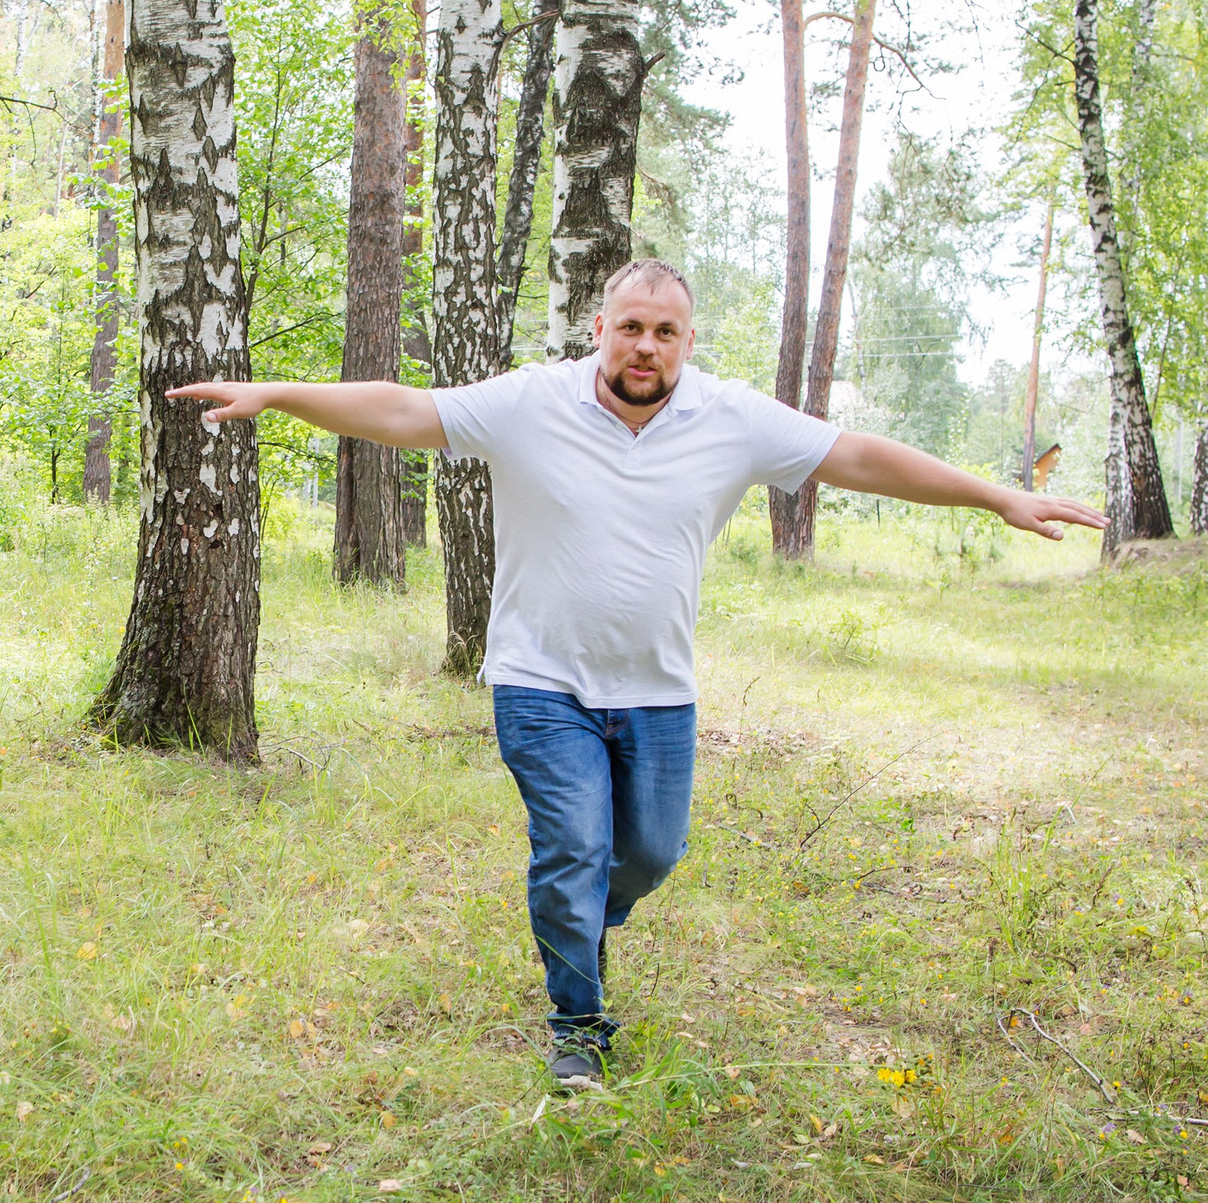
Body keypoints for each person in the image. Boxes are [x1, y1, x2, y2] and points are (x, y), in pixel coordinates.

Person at [171, 259, 1103, 1088]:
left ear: (688, 342)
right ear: (600, 331)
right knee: (573, 845)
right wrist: (280, 392)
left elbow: (856, 456)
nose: (646, 346)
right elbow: (406, 408)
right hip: (541, 681)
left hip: (658, 690)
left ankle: (582, 916)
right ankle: (578, 1026)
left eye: (665, 331)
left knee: (650, 855)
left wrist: (998, 497)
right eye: (630, 327)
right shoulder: (533, 401)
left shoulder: (730, 418)